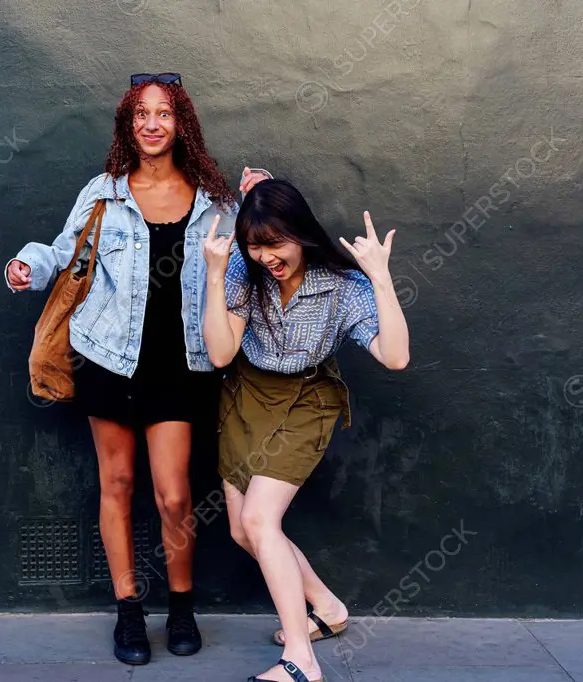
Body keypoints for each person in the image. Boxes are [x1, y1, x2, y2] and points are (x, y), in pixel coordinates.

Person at [4, 72, 271, 666]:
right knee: (117, 485)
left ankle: (180, 606)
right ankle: (128, 611)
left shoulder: (213, 201)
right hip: (108, 358)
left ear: (182, 125)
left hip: (180, 366)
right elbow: (63, 250)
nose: (152, 123)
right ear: (129, 124)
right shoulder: (104, 191)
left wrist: (263, 197)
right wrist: (26, 266)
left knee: (175, 496)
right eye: (141, 114)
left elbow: (250, 256)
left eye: (165, 114)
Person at [201, 179, 411, 682]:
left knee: (258, 521)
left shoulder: (340, 286)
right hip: (247, 394)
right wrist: (214, 275)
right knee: (241, 528)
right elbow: (220, 353)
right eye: (255, 246)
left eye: (276, 244)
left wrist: (381, 280)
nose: (266, 257)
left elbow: (396, 356)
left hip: (307, 399)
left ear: (300, 235)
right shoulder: (241, 272)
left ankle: (301, 658)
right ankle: (326, 606)